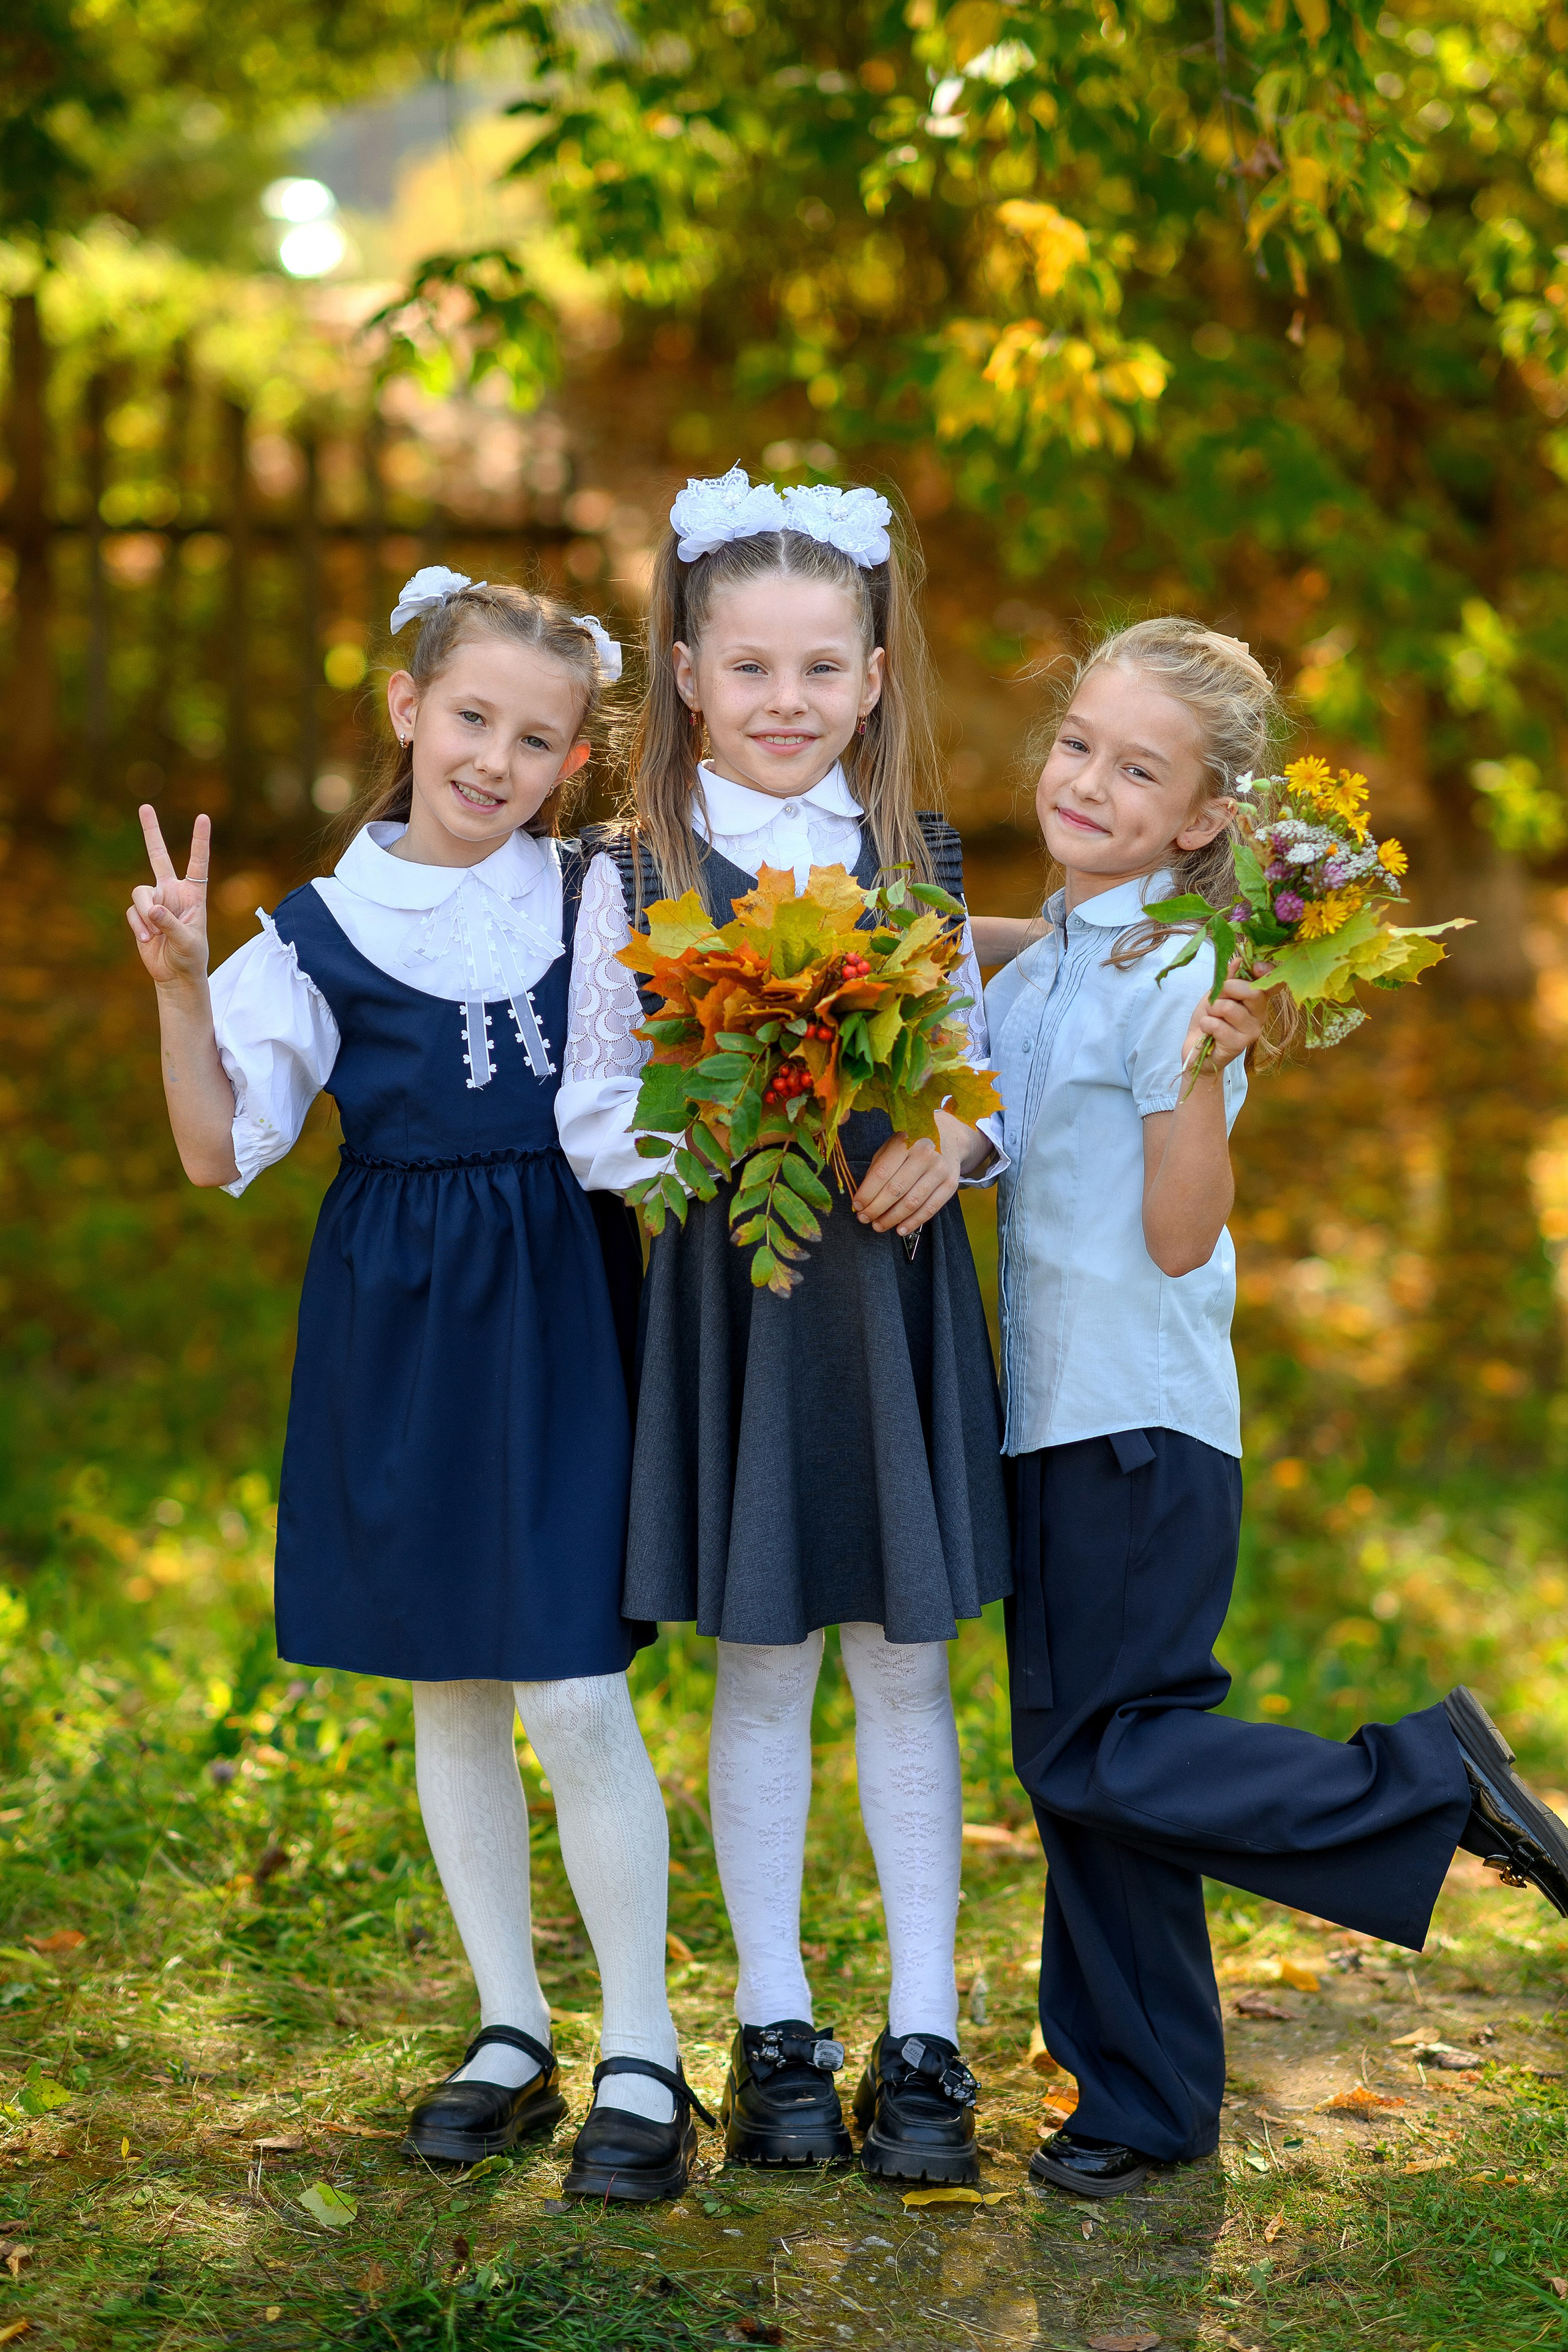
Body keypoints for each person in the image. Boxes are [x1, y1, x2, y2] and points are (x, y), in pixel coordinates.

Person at [125, 568, 711, 2202]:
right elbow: (211, 1147)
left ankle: (650, 2048)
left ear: (569, 762)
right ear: (406, 708)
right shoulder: (317, 932)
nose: (496, 760)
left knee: (575, 1686)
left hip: (566, 1312)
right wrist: (181, 984)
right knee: (450, 1679)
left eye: (536, 739)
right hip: (405, 1328)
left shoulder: (593, 897)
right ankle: (512, 2026)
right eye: (471, 719)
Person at [979, 615, 1568, 2201]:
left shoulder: (1179, 969)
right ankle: (1145, 2103)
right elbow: (1012, 978)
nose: (1089, 780)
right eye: (1076, 744)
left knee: (1106, 1751)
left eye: (1137, 767)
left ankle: (1423, 1786)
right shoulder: (1080, 945)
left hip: (1136, 1426)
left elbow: (1179, 1237)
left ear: (1205, 820)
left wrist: (1193, 1085)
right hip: (1051, 1422)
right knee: (1086, 1763)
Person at [557, 468, 1012, 2184]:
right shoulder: (639, 871)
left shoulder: (914, 860)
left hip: (888, 1305)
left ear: (876, 679)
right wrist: (732, 1107)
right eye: (748, 671)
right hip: (734, 1307)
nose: (785, 705)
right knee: (762, 1675)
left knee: (906, 1668)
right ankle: (775, 2026)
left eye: (822, 671)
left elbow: (979, 1085)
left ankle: (925, 2033)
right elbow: (592, 1118)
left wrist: (953, 1146)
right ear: (685, 673)